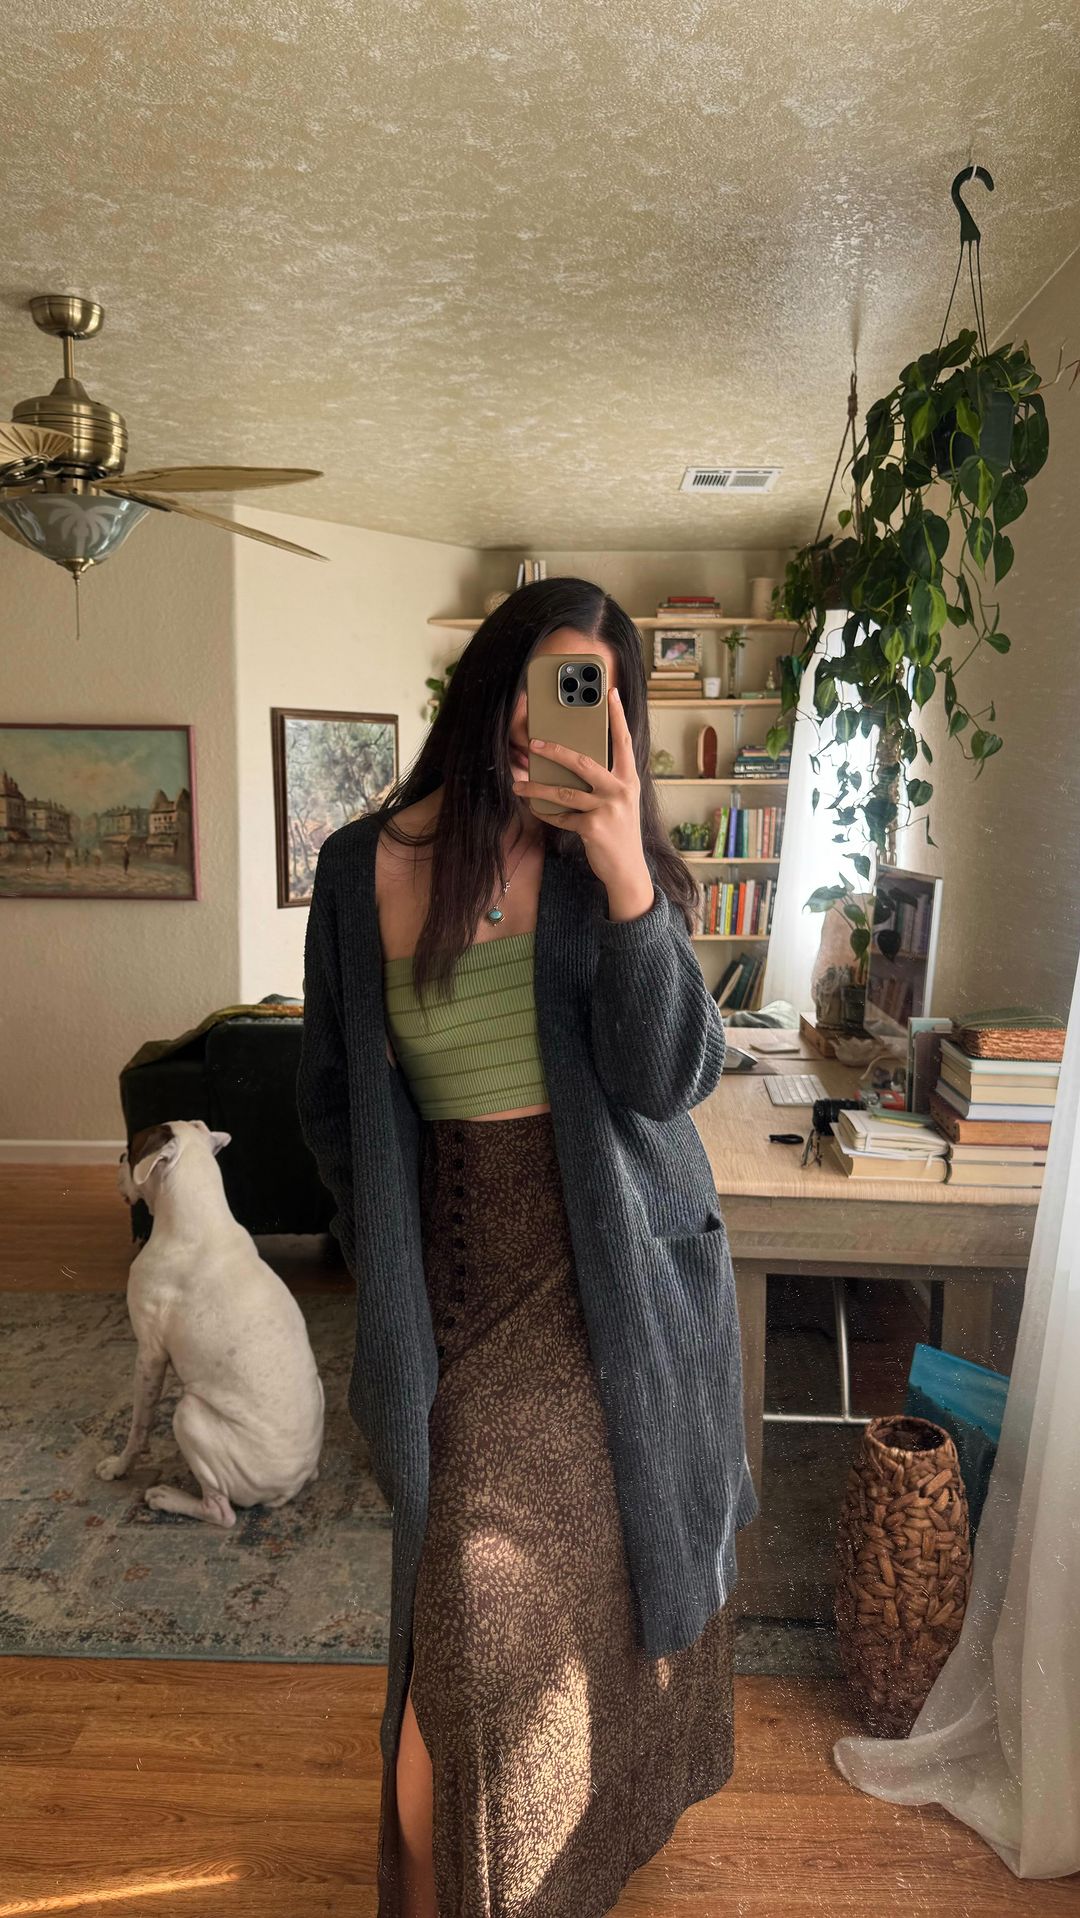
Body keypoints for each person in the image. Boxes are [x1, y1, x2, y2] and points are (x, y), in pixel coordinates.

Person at [297, 577, 759, 1918]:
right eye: (544, 681)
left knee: (525, 1604)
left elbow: (668, 1078)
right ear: (490, 684)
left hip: (616, 1281)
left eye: (591, 696)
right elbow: (331, 1099)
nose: (551, 724)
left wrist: (626, 877)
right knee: (467, 1615)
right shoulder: (360, 871)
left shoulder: (606, 873)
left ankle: (517, 1872)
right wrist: (385, 1251)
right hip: (459, 1277)